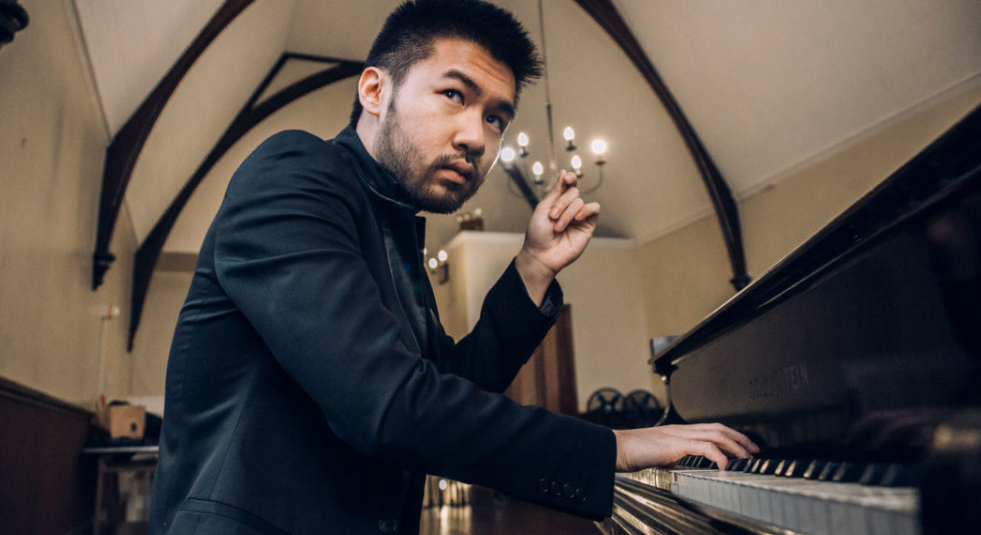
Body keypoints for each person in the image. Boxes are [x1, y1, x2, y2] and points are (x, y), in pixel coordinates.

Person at [149, 1, 758, 534]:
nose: (478, 137)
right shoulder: (292, 174)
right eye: (453, 95)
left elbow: (450, 389)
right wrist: (613, 446)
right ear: (374, 91)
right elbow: (387, 404)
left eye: (496, 117)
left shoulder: (398, 235)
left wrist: (533, 266)